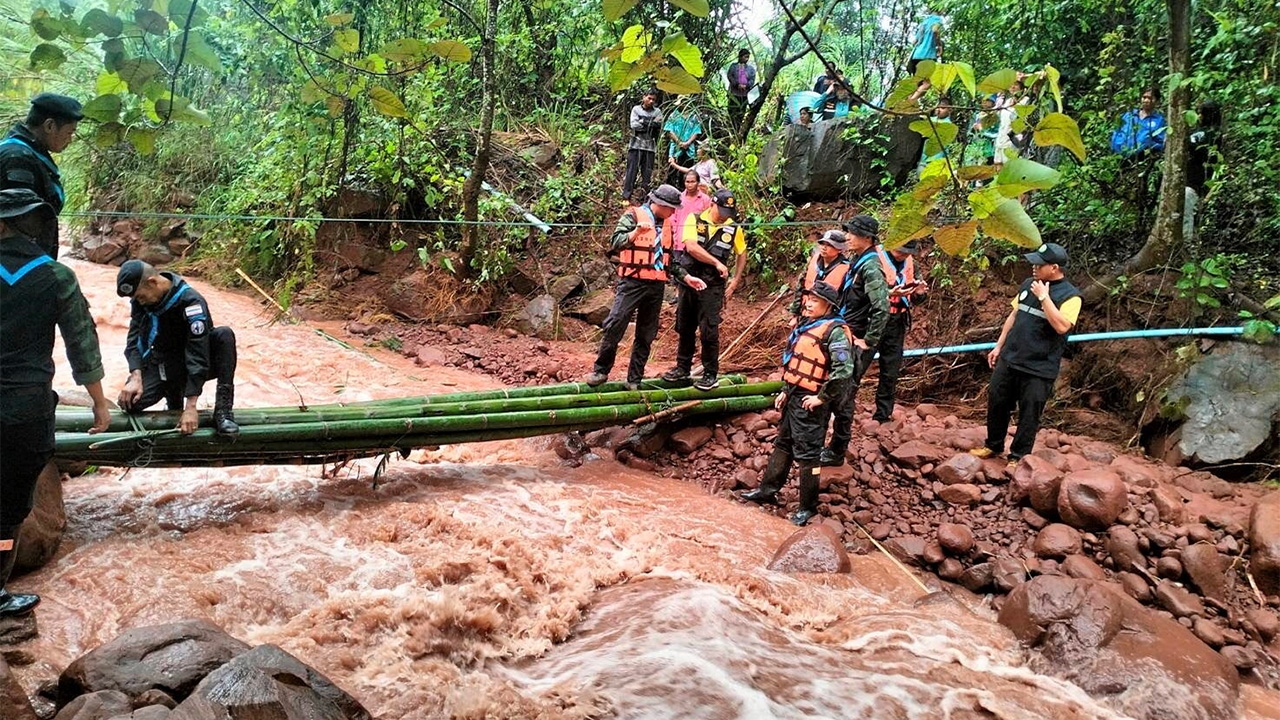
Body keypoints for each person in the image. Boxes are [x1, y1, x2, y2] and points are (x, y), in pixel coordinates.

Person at [0, 188, 111, 617]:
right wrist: (99, 404)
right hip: (25, 408)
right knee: (9, 509)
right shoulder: (56, 276)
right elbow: (82, 342)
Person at [738, 281, 855, 526]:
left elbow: (843, 371)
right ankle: (768, 490)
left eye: (815, 300)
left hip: (812, 400)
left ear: (828, 305)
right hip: (795, 394)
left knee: (809, 454)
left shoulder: (835, 332)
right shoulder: (806, 325)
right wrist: (785, 390)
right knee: (783, 444)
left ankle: (808, 507)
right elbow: (793, 361)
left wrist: (822, 398)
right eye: (808, 298)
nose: (808, 303)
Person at [970, 243, 1081, 465]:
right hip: (1010, 359)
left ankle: (1017, 457)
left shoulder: (1072, 297)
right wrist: (999, 346)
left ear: (1054, 268)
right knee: (997, 402)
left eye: (1039, 264)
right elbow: (1014, 315)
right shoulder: (1028, 284)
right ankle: (993, 445)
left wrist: (1044, 297)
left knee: (1029, 413)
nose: (1033, 267)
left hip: (1039, 367)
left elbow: (1062, 327)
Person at [588, 185, 707, 389]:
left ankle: (634, 378)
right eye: (671, 207)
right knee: (615, 323)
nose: (673, 212)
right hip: (632, 282)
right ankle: (601, 370)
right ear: (659, 204)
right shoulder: (634, 216)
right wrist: (636, 232)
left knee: (646, 333)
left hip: (656, 285)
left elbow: (671, 261)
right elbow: (616, 242)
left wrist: (687, 278)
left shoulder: (669, 224)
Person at [115, 260, 240, 436]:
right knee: (129, 403)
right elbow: (134, 339)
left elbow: (198, 352)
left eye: (141, 296)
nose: (139, 302)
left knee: (224, 336)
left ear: (153, 282)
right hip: (163, 363)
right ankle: (173, 401)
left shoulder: (191, 302)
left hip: (194, 362)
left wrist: (191, 407)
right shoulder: (140, 302)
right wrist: (136, 375)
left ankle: (224, 411)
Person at [661, 188, 746, 391]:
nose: (724, 217)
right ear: (712, 204)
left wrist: (735, 280)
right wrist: (717, 262)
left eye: (728, 213)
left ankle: (710, 373)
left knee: (709, 329)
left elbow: (742, 253)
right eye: (722, 211)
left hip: (713, 287)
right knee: (684, 326)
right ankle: (682, 368)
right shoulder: (694, 219)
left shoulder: (733, 228)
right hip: (689, 281)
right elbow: (691, 247)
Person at [822, 214, 889, 466]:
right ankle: (827, 444)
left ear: (867, 238)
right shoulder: (858, 261)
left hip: (855, 339)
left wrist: (869, 340)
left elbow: (881, 307)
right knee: (836, 386)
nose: (847, 237)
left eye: (852, 233)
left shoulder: (871, 266)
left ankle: (836, 451)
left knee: (845, 394)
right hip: (845, 333)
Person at [0, 94, 83, 258]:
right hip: (16, 266)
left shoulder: (28, 152)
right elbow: (19, 222)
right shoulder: (17, 157)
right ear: (50, 126)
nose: (70, 139)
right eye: (69, 132)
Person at [870, 239, 929, 422]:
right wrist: (889, 293)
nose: (903, 254)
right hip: (873, 319)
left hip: (897, 321)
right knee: (859, 364)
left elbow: (917, 299)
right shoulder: (874, 260)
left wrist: (919, 293)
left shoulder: (912, 264)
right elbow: (863, 292)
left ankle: (882, 414)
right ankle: (843, 409)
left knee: (890, 369)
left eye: (907, 251)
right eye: (901, 250)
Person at [789, 229, 852, 322]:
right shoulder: (813, 261)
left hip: (827, 318)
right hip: (805, 313)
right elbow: (800, 287)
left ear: (840, 249)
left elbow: (845, 300)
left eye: (829, 245)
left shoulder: (846, 269)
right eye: (822, 244)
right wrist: (795, 314)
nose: (824, 247)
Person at [622, 89, 664, 202]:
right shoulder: (636, 109)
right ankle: (626, 196)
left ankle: (644, 198)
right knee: (631, 171)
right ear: (644, 97)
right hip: (635, 146)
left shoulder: (657, 111)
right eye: (649, 98)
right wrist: (650, 123)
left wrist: (643, 121)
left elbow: (659, 124)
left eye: (653, 100)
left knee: (647, 174)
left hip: (650, 147)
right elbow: (634, 125)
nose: (651, 101)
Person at [1110, 87, 1167, 156]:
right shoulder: (1129, 115)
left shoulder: (1158, 120)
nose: (1146, 100)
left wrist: (1145, 146)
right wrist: (1115, 148)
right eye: (1144, 97)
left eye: (1150, 98)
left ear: (1157, 101)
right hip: (1119, 156)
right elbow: (1116, 132)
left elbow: (1159, 143)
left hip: (1142, 159)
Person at [669, 170, 712, 257]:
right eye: (687, 182)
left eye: (693, 182)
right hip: (679, 243)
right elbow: (672, 219)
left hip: (698, 244)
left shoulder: (705, 200)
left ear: (698, 183)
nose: (690, 185)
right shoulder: (679, 199)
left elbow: (709, 220)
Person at [663, 99, 703, 187]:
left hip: (689, 148)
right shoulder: (674, 115)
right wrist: (679, 142)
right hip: (675, 147)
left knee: (687, 171)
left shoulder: (693, 116)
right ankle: (670, 191)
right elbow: (669, 130)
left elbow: (696, 131)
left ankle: (684, 191)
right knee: (672, 169)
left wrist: (688, 143)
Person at [726, 49, 757, 134]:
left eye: (748, 57)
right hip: (734, 94)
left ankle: (737, 131)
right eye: (745, 57)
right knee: (732, 112)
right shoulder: (733, 66)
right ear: (740, 57)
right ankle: (729, 130)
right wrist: (736, 84)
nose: (747, 59)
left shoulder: (750, 69)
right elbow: (729, 76)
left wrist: (746, 85)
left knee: (740, 114)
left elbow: (752, 80)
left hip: (743, 96)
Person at [907, 10, 944, 75]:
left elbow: (914, 41)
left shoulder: (924, 22)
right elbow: (935, 30)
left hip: (916, 56)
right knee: (927, 82)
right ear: (940, 10)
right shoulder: (938, 20)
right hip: (928, 56)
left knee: (917, 82)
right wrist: (939, 46)